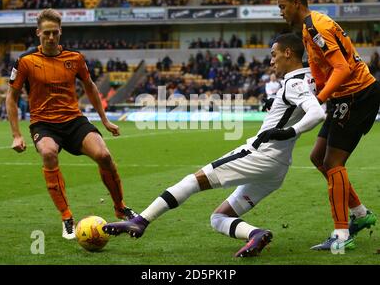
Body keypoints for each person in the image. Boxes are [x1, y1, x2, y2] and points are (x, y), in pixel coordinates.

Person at [103, 33, 326, 257]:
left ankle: (141, 221)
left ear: (288, 53)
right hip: (278, 167)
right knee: (218, 218)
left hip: (259, 155)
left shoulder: (294, 83)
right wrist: (278, 104)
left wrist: (289, 130)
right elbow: (312, 104)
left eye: (274, 54)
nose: (271, 61)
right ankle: (256, 234)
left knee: (193, 181)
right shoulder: (308, 78)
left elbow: (316, 113)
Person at [6, 8, 136, 240]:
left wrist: (105, 120)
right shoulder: (25, 62)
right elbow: (11, 98)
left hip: (74, 121)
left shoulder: (75, 59)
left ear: (60, 32)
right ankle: (67, 217)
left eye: (55, 33)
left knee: (104, 156)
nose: (51, 37)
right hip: (44, 123)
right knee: (48, 152)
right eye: (46, 33)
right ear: (38, 33)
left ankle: (120, 207)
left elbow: (91, 87)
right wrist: (16, 134)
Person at [273, 0, 380, 251]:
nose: (281, 12)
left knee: (333, 162)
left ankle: (342, 236)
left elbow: (343, 69)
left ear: (297, 3)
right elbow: (325, 72)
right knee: (318, 157)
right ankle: (360, 213)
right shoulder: (309, 30)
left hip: (357, 95)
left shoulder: (316, 26)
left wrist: (317, 100)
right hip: (342, 97)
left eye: (283, 6)